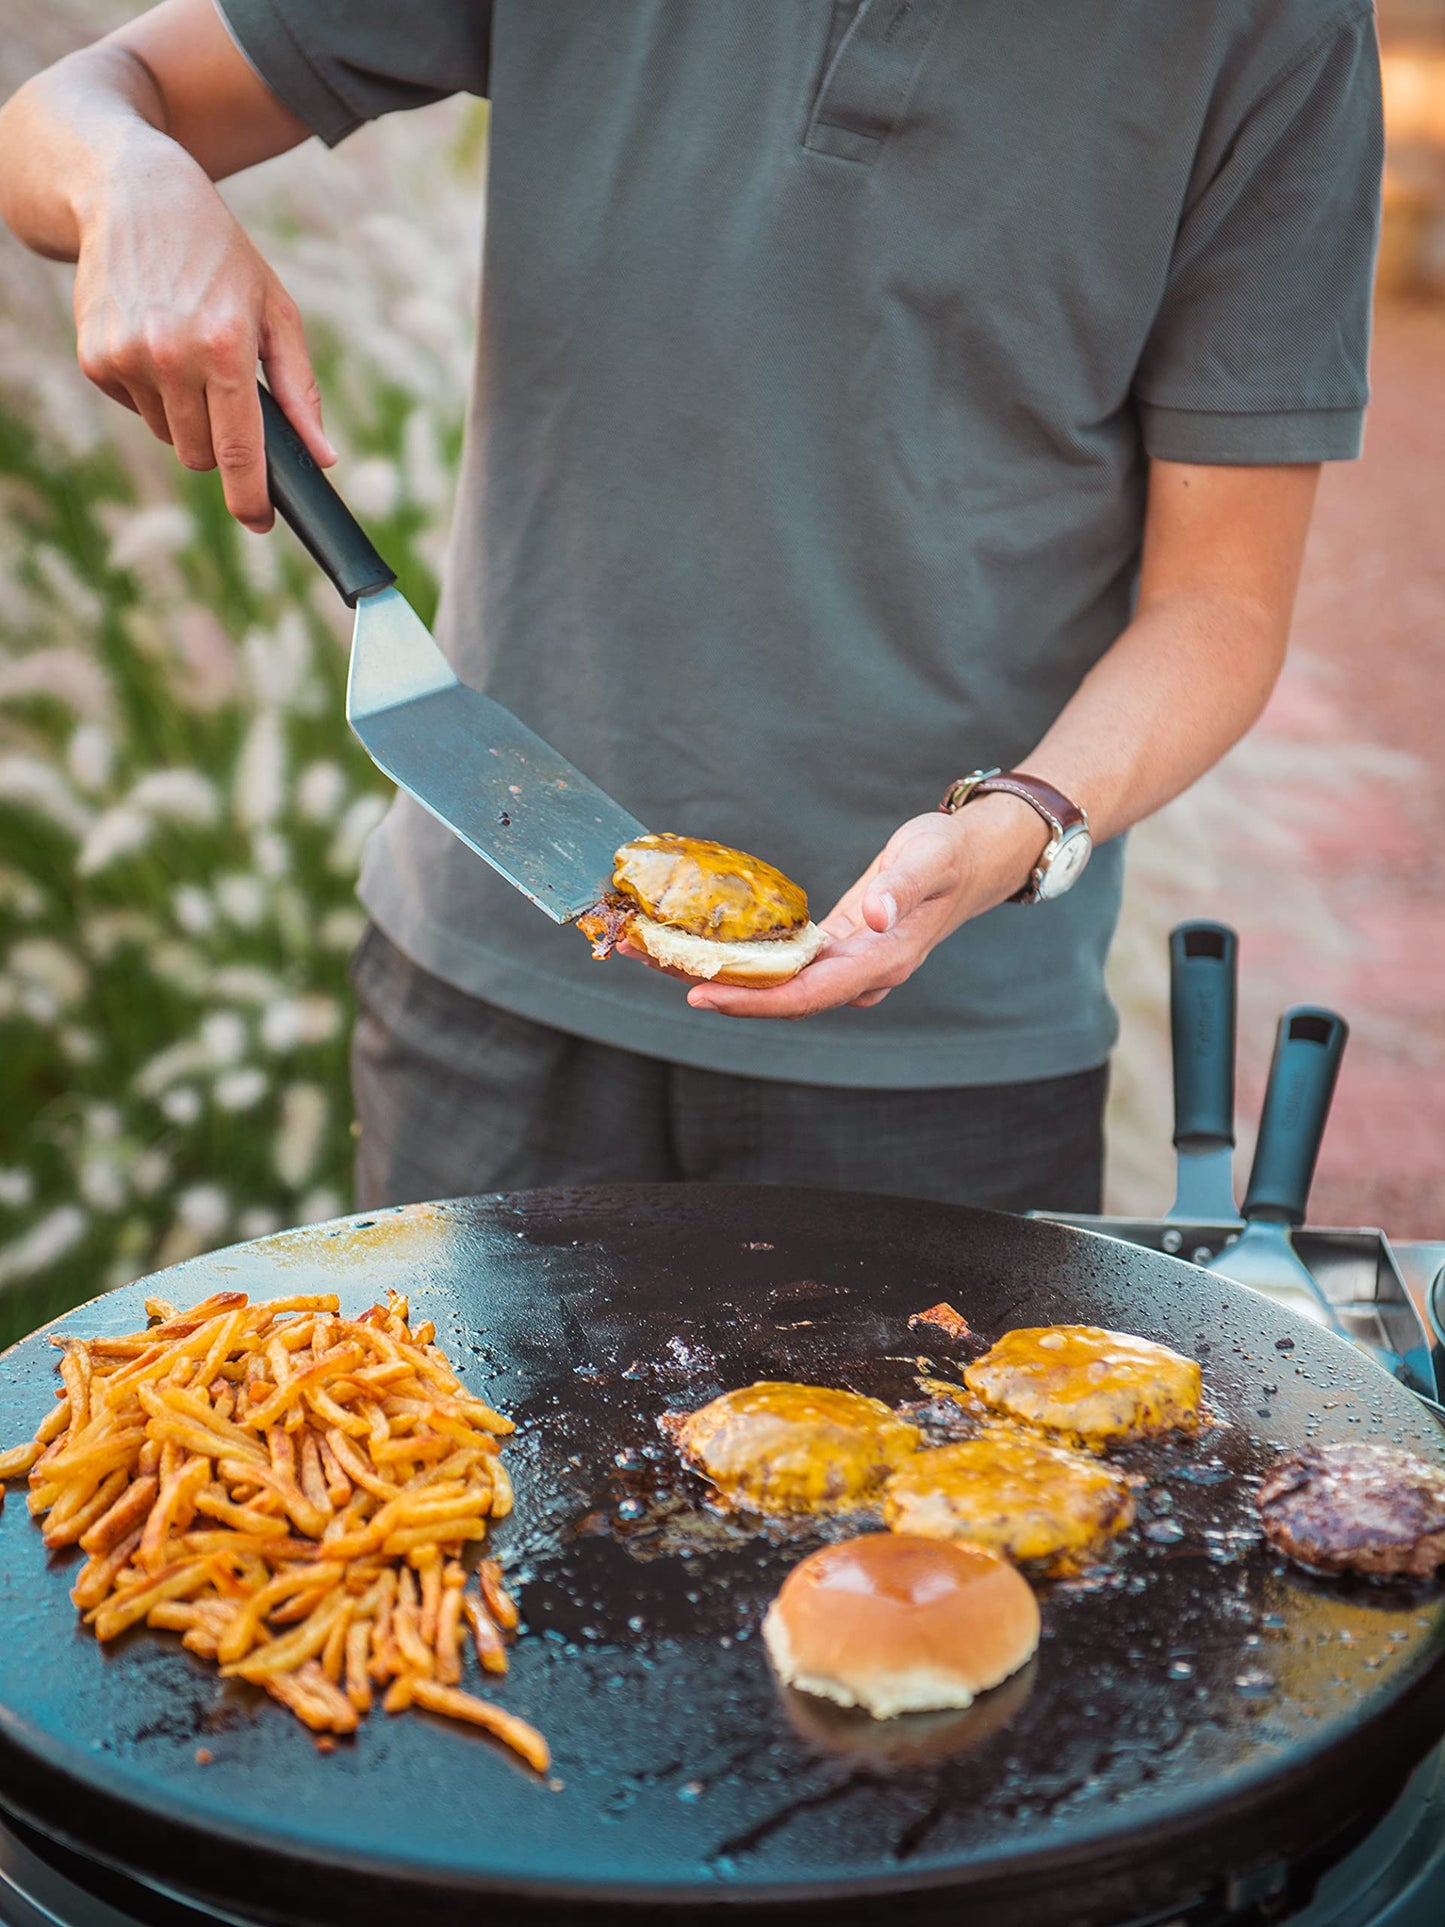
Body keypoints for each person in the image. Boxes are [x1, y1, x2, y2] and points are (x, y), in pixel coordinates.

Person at [0, 1, 1382, 1215]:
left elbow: (1216, 609)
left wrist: (1015, 828)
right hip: (484, 1009)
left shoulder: (1275, 30)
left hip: (941, 1072)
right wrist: (128, 179)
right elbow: (62, 115)